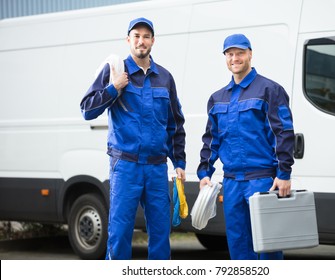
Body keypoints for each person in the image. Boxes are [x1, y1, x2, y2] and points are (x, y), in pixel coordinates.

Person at [80, 17, 186, 260]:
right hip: (125, 166)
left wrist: (179, 161)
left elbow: (175, 124)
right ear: (128, 40)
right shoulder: (115, 70)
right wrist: (113, 88)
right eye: (136, 36)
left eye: (146, 36)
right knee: (119, 234)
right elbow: (87, 109)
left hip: (157, 168)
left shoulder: (165, 78)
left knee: (161, 234)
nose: (141, 41)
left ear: (153, 41)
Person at [197, 34, 294, 260]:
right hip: (231, 183)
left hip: (262, 181)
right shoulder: (217, 98)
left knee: (267, 246)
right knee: (238, 245)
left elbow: (283, 133)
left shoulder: (270, 90)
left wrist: (284, 173)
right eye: (230, 54)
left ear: (250, 54)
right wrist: (205, 172)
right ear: (225, 58)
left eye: (239, 53)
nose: (235, 58)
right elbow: (211, 139)